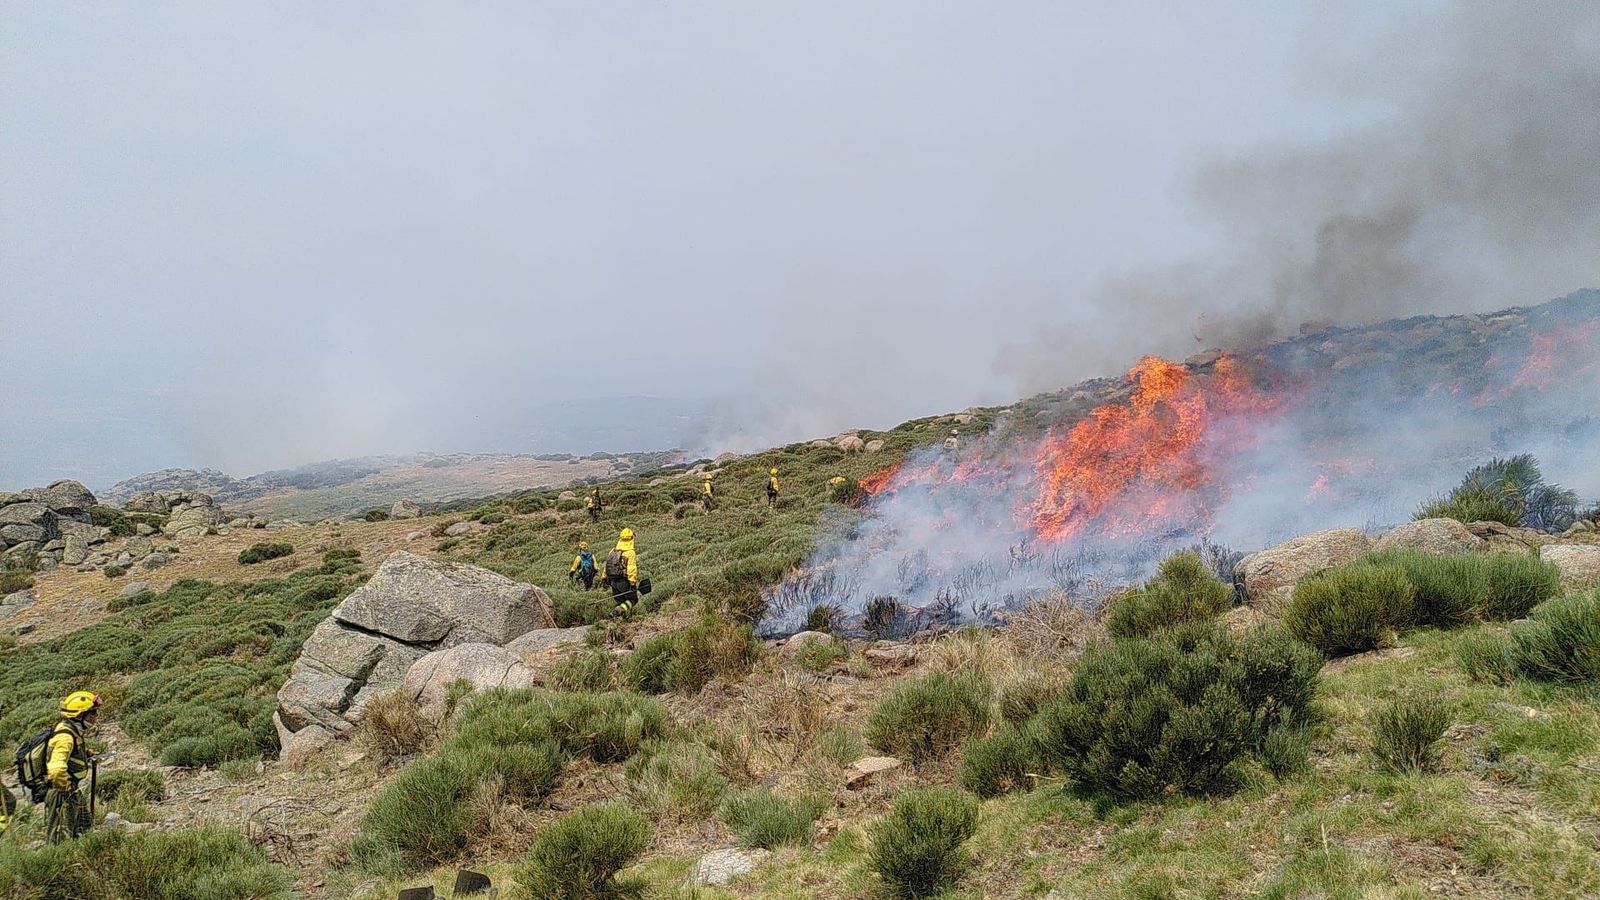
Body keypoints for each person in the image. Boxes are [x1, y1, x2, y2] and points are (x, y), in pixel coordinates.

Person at [44, 691, 99, 844]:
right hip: (62, 795)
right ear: (80, 715)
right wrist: (65, 786)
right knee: (60, 840)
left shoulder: (72, 731)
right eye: (92, 712)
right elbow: (56, 769)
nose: (95, 716)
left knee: (84, 827)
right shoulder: (66, 737)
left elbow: (70, 753)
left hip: (71, 791)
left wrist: (85, 754)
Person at [604, 527, 639, 617]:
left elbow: (607, 565)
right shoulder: (630, 553)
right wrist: (633, 584)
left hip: (612, 581)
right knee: (633, 600)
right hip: (623, 581)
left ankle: (618, 618)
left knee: (620, 601)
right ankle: (619, 611)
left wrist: (604, 578)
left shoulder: (613, 550)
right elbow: (631, 569)